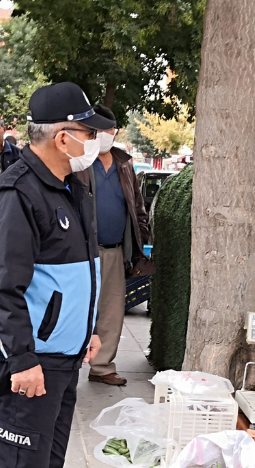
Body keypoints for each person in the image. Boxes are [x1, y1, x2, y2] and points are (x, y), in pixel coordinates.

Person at [0, 81, 109, 468]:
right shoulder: (16, 194)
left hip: (62, 350)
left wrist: (87, 330)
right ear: (61, 136)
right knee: (17, 460)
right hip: (28, 357)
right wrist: (22, 360)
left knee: (45, 456)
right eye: (89, 132)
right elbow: (1, 287)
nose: (96, 141)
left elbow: (76, 273)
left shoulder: (69, 186)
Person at [81, 104, 152, 387]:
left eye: (106, 130)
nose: (102, 135)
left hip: (114, 250)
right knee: (79, 307)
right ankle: (64, 362)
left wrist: (141, 236)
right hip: (81, 250)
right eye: (96, 130)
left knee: (110, 310)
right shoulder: (80, 162)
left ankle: (102, 367)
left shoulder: (125, 164)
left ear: (115, 132)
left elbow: (136, 204)